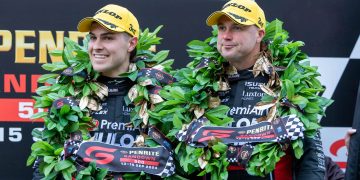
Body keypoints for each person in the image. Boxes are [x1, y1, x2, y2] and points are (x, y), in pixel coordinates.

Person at [205, 0, 326, 179]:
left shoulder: (289, 82)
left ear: (259, 34)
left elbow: (312, 160)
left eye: (237, 27)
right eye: (222, 28)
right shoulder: (201, 84)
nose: (226, 36)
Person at [33, 4, 140, 179]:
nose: (96, 46)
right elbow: (43, 169)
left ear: (131, 43)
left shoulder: (157, 94)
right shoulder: (68, 94)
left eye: (107, 38)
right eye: (93, 37)